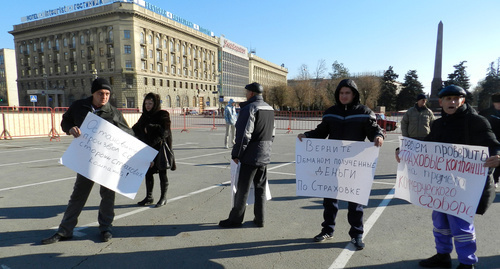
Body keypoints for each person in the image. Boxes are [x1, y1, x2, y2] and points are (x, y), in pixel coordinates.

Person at [398, 85, 500, 269]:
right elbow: (426, 147)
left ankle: (467, 262)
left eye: (456, 98)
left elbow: (493, 144)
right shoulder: (438, 124)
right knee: (440, 222)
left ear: (463, 100)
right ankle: (443, 255)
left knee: (461, 224)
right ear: (441, 102)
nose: (452, 102)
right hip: (441, 183)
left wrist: (498, 156)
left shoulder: (477, 122)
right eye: (448, 99)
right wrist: (404, 151)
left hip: (464, 185)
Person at [42, 77, 132, 244]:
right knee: (78, 195)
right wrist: (70, 128)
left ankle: (106, 228)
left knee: (107, 196)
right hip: (86, 161)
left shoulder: (113, 112)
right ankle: (65, 230)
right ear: (93, 93)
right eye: (100, 93)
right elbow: (65, 121)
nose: (104, 97)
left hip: (106, 162)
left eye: (107, 94)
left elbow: (129, 135)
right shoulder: (79, 107)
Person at [297, 79, 384, 250]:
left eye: (347, 93)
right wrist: (307, 135)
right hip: (333, 163)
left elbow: (374, 129)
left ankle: (357, 234)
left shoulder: (364, 112)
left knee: (355, 202)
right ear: (338, 94)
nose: (344, 96)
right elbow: (321, 131)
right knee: (329, 200)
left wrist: (378, 136)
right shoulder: (331, 113)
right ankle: (327, 230)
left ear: (354, 94)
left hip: (355, 165)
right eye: (341, 93)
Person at [219, 82, 275, 228]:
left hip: (251, 155)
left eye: (246, 92)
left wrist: (236, 153)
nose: (245, 94)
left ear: (251, 93)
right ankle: (260, 218)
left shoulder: (250, 108)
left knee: (242, 189)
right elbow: (272, 133)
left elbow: (244, 135)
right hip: (265, 154)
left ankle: (235, 219)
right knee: (260, 188)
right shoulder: (269, 108)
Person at [133, 92, 176, 208]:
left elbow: (165, 132)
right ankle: (149, 196)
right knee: (148, 173)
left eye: (150, 103)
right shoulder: (144, 116)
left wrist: (151, 127)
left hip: (160, 149)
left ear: (155, 103)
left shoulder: (163, 114)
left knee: (162, 172)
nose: (148, 106)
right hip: (148, 150)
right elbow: (135, 129)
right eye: (146, 103)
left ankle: (163, 197)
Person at [479, 92, 500, 188]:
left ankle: (495, 179)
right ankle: (491, 179)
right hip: (490, 142)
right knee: (491, 161)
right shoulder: (485, 113)